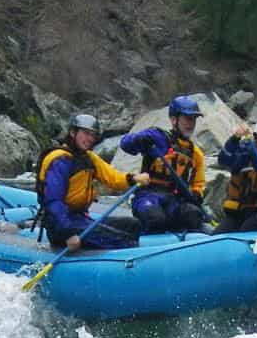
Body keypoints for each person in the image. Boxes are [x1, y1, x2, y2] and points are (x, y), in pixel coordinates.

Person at [37, 114, 151, 251]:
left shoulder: (89, 157)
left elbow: (113, 178)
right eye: (86, 133)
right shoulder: (60, 160)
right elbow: (54, 202)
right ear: (73, 133)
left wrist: (133, 179)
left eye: (93, 135)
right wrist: (68, 234)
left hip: (80, 219)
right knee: (122, 240)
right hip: (61, 226)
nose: (90, 139)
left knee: (133, 225)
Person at [119, 95, 206, 233]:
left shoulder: (195, 153)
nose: (191, 123)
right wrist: (139, 140)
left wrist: (196, 194)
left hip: (173, 200)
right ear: (174, 119)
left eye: (194, 119)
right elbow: (125, 144)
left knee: (193, 214)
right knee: (155, 218)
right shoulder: (157, 136)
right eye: (187, 118)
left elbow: (198, 184)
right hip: (148, 195)